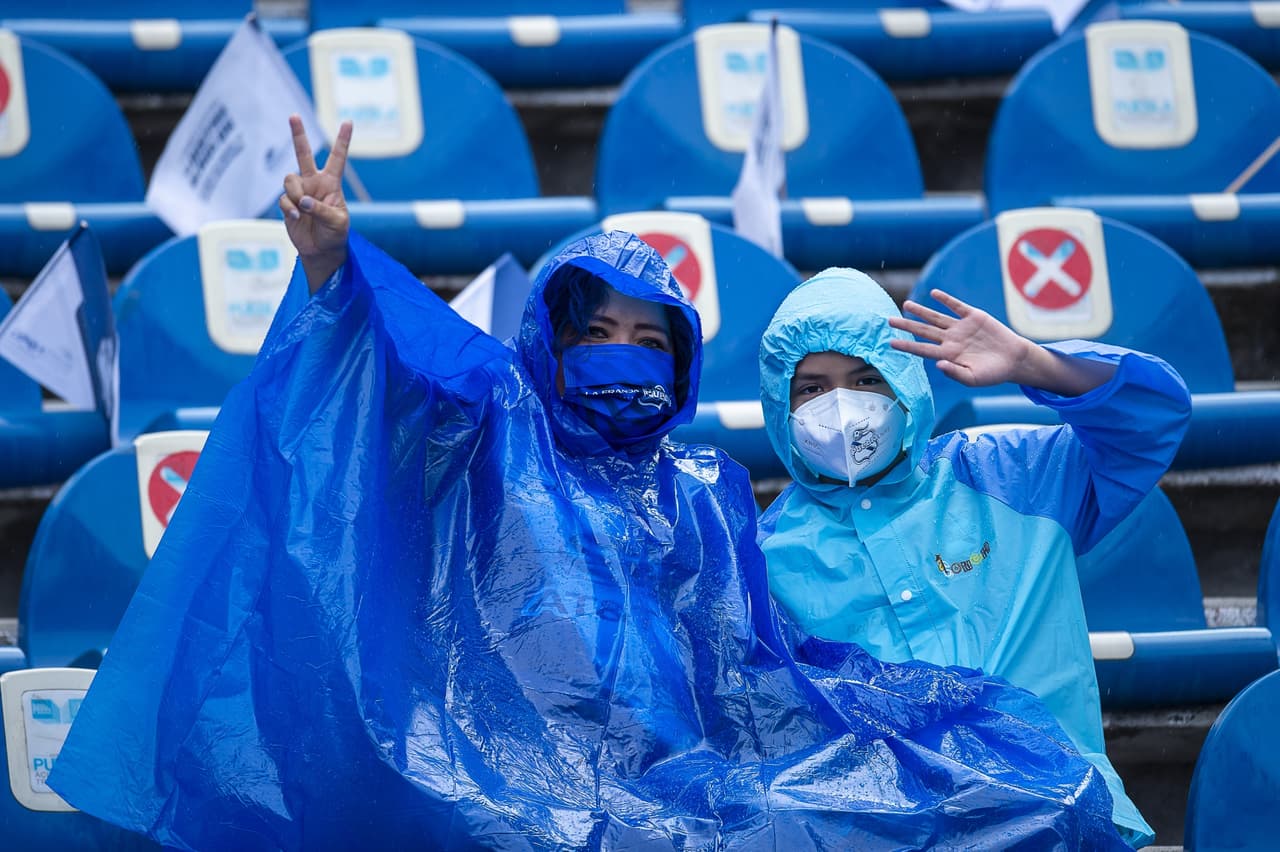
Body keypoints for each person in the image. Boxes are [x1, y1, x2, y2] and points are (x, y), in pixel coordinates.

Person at [49, 120, 1129, 850]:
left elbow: (751, 670)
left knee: (1003, 776)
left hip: (681, 782)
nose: (621, 354)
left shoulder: (704, 485)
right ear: (549, 342)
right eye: (595, 330)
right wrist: (336, 264)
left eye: (645, 338)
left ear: (681, 359)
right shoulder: (496, 420)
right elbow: (404, 364)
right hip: (498, 775)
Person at [755, 267, 1194, 848]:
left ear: (905, 381)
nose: (842, 408)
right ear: (778, 404)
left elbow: (1153, 419)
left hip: (1060, 817)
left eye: (867, 379)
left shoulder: (1017, 475)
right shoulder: (765, 554)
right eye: (812, 388)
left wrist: (1032, 363)